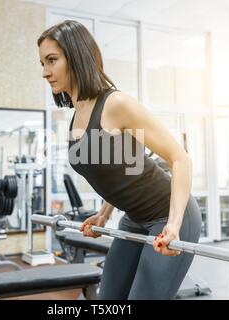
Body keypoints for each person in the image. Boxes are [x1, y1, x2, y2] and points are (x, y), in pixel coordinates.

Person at [37, 20, 202, 300]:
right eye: (42, 63)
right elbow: (120, 168)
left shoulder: (116, 104)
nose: (45, 72)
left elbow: (180, 159)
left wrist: (173, 225)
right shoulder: (77, 114)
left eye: (52, 60)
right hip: (134, 219)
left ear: (76, 56)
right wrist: (104, 214)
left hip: (170, 215)